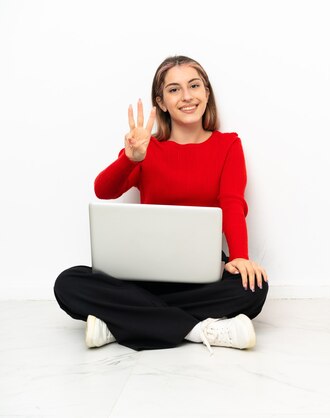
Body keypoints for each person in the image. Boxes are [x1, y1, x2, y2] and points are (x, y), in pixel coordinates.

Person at [54, 56, 268, 353]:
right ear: (162, 102)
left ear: (207, 93)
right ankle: (199, 330)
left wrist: (240, 256)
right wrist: (130, 158)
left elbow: (232, 203)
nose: (187, 96)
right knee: (68, 283)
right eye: (174, 90)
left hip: (201, 272)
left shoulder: (228, 145)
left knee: (253, 288)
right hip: (145, 272)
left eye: (194, 86)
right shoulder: (145, 148)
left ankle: (117, 324)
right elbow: (103, 191)